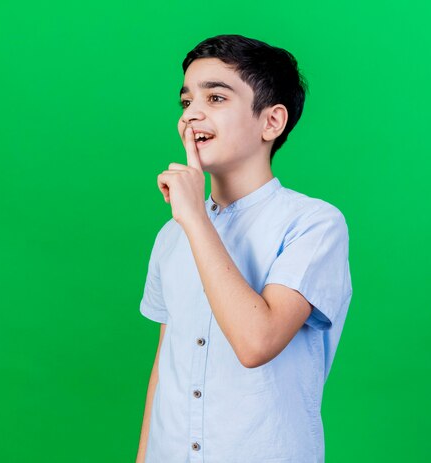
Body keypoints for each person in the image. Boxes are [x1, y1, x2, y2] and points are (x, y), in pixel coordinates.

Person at [136, 34, 353, 463]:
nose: (192, 114)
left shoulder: (313, 224)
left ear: (271, 122)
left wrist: (196, 218)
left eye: (215, 97)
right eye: (186, 102)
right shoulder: (171, 236)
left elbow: (257, 342)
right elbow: (166, 365)